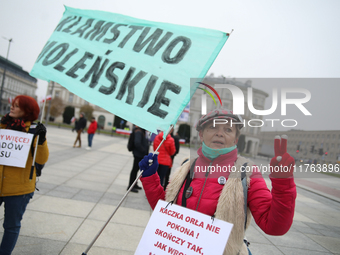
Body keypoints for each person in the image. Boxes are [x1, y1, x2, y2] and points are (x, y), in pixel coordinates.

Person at [139, 109, 296, 255]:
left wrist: (283, 184)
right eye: (213, 127)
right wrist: (150, 178)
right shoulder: (186, 166)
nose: (220, 134)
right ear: (201, 134)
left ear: (235, 138)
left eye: (228, 130)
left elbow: (274, 226)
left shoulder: (247, 172)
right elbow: (166, 214)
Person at [0, 95, 49, 255]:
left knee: (11, 226)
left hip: (19, 189)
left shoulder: (34, 130)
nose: (12, 108)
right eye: (12, 105)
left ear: (27, 111)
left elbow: (41, 159)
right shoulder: (2, 125)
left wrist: (41, 140)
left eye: (17, 106)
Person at [128, 126, 149, 193]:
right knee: (134, 170)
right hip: (138, 154)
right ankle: (130, 186)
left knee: (136, 170)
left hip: (139, 154)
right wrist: (144, 151)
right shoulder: (139, 132)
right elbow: (137, 143)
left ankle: (134, 184)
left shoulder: (141, 131)